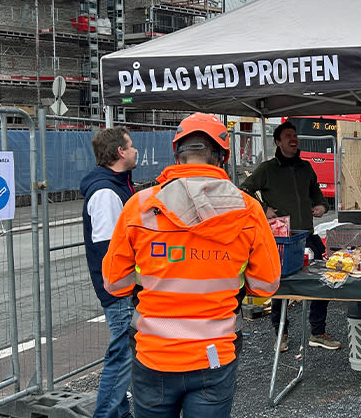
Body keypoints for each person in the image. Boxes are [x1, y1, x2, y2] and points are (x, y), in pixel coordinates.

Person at [102, 113, 281, 418]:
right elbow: (266, 285)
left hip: (154, 356)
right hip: (214, 356)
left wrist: (157, 274)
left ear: (177, 156)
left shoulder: (141, 206)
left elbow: (114, 284)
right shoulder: (248, 210)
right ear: (223, 157)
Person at [241, 121, 341, 352]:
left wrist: (321, 207)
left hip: (308, 236)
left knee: (321, 284)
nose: (293, 139)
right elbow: (244, 190)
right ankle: (281, 334)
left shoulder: (306, 168)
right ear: (278, 141)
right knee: (282, 288)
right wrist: (263, 209)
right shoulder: (267, 169)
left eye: (294, 136)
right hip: (281, 241)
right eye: (288, 136)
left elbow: (316, 193)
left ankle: (318, 332)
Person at [80, 126, 137, 418]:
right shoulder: (105, 192)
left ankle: (119, 413)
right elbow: (109, 251)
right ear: (120, 152)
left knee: (125, 353)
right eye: (132, 145)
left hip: (122, 289)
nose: (136, 150)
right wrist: (125, 286)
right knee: (122, 355)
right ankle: (106, 414)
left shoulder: (116, 185)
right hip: (119, 290)